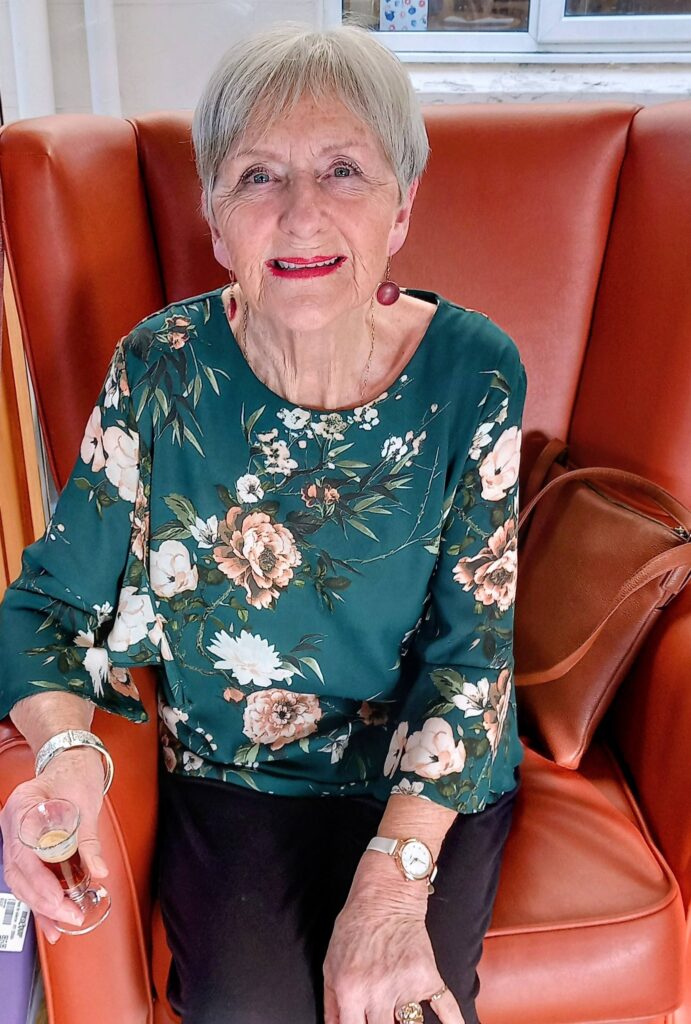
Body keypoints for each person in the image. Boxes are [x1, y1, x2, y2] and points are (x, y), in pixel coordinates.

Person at [0, 23, 527, 1024]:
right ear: (214, 220)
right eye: (257, 177)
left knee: (399, 1006)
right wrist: (64, 762)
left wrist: (392, 885)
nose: (300, 213)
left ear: (401, 208)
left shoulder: (473, 372)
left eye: (343, 170)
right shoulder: (160, 369)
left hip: (426, 771)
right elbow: (46, 608)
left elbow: (473, 657)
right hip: (236, 774)